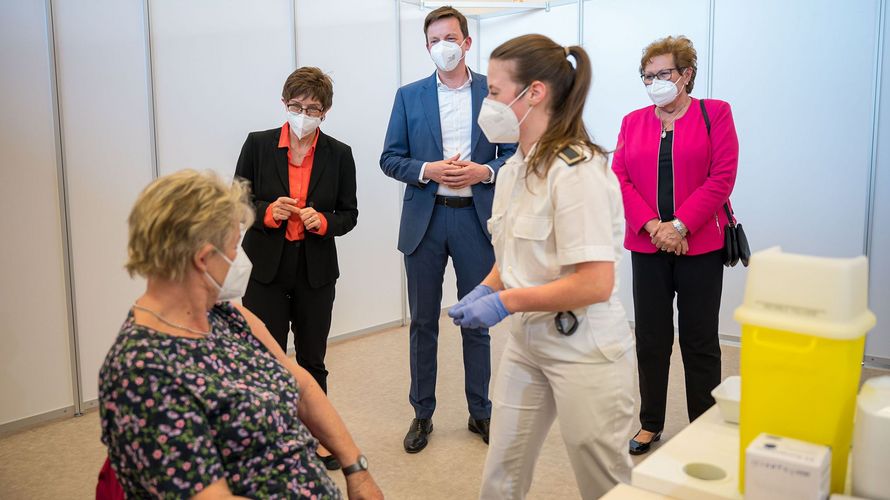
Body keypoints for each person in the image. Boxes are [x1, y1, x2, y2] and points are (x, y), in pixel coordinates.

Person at [98, 170, 382, 499]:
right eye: (235, 246)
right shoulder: (142, 372)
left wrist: (356, 467)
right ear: (203, 259)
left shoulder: (225, 315)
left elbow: (302, 386)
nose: (239, 258)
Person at [449, 35, 636, 499]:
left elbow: (595, 282)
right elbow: (513, 256)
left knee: (603, 480)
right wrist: (487, 287)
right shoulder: (514, 168)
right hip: (528, 341)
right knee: (501, 474)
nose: (486, 102)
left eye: (493, 91)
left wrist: (505, 301)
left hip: (584, 346)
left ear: (534, 93)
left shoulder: (577, 170)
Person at [380, 6, 516, 453]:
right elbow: (390, 157)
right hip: (426, 219)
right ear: (427, 47)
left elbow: (515, 153)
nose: (444, 46)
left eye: (451, 38)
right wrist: (427, 169)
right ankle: (422, 414)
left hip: (476, 221)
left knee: (477, 319)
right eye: (435, 39)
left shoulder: (493, 94)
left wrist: (485, 172)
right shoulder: (408, 96)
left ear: (467, 42)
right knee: (423, 321)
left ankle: (481, 411)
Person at [611, 35, 739, 455]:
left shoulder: (714, 113)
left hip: (699, 245)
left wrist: (680, 226)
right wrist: (654, 226)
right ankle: (650, 423)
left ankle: (705, 426)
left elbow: (721, 177)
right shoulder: (633, 122)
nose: (653, 83)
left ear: (685, 75)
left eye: (662, 74)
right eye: (647, 76)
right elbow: (621, 179)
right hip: (647, 247)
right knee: (651, 338)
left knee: (699, 340)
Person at [235, 67, 358, 468]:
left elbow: (349, 214)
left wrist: (322, 222)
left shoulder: (339, 154)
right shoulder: (257, 145)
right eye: (296, 105)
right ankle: (267, 437)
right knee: (265, 358)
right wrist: (268, 212)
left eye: (313, 108)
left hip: (315, 272)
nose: (303, 113)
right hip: (266, 270)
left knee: (312, 359)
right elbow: (236, 205)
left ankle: (319, 436)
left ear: (326, 112)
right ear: (284, 104)